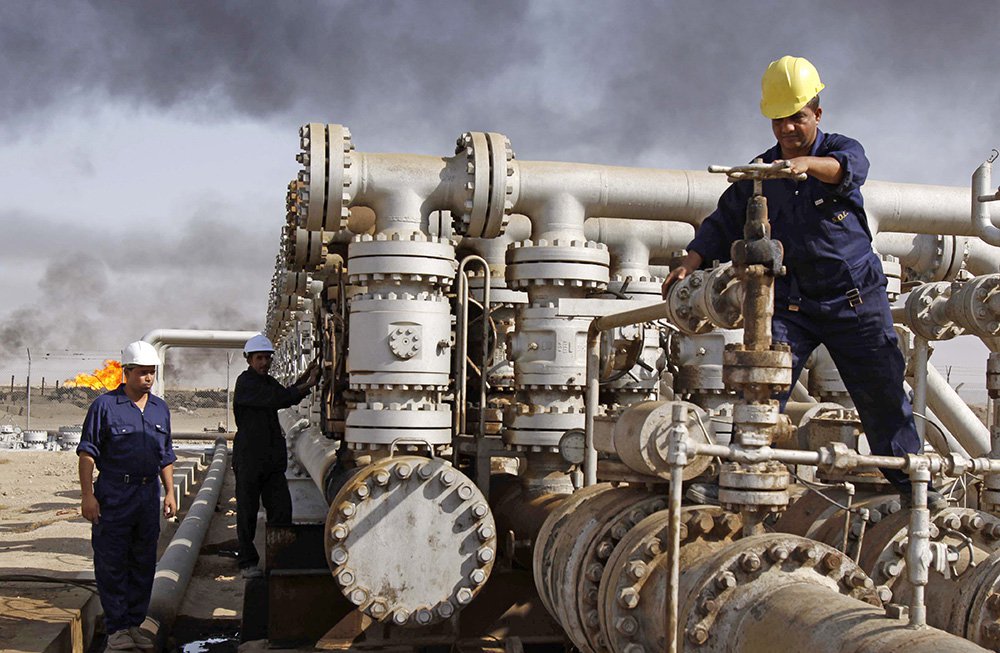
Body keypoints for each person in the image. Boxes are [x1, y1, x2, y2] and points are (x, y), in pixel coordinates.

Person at [662, 55, 945, 509]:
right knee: (761, 386)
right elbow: (724, 220)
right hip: (794, 306)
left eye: (796, 117)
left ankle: (917, 498)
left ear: (817, 112)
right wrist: (691, 261)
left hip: (855, 303)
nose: (787, 129)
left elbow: (848, 169)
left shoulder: (840, 150)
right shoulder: (763, 172)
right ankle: (735, 478)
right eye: (779, 120)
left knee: (882, 397)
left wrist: (810, 165)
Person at [78, 341, 176, 651]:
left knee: (144, 561)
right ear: (127, 372)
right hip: (114, 493)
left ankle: (135, 625)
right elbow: (87, 454)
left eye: (152, 373)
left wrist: (170, 491)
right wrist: (87, 496)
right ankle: (117, 630)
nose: (148, 378)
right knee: (112, 561)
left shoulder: (160, 408)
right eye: (143, 372)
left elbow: (166, 455)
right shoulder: (105, 406)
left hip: (148, 494)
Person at [232, 334, 320, 578]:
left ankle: (279, 558)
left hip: (271, 458)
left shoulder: (267, 382)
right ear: (249, 359)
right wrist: (308, 384)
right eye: (259, 358)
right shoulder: (246, 383)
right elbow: (281, 398)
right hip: (249, 457)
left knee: (281, 509)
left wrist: (307, 377)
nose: (264, 363)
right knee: (247, 511)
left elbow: (286, 394)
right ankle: (248, 562)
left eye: (267, 358)